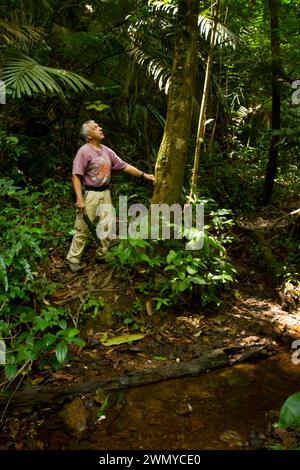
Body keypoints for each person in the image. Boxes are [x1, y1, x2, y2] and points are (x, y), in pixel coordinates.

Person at [66, 120, 155, 272]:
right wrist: (80, 200)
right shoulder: (84, 151)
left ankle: (102, 254)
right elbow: (76, 176)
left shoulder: (107, 151)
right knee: (82, 228)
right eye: (95, 128)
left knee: (107, 225)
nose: (100, 128)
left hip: (105, 192)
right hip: (90, 194)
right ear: (88, 136)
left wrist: (144, 175)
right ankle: (73, 260)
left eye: (99, 126)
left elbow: (125, 166)